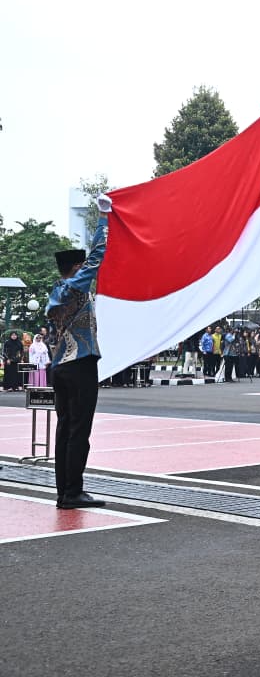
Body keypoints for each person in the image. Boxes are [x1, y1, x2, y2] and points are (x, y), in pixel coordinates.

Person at [47, 193, 111, 509]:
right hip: (80, 362)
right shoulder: (75, 286)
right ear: (75, 267)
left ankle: (65, 491)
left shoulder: (56, 291)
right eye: (81, 265)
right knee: (79, 429)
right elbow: (97, 255)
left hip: (60, 365)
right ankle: (73, 492)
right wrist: (103, 217)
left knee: (64, 429)